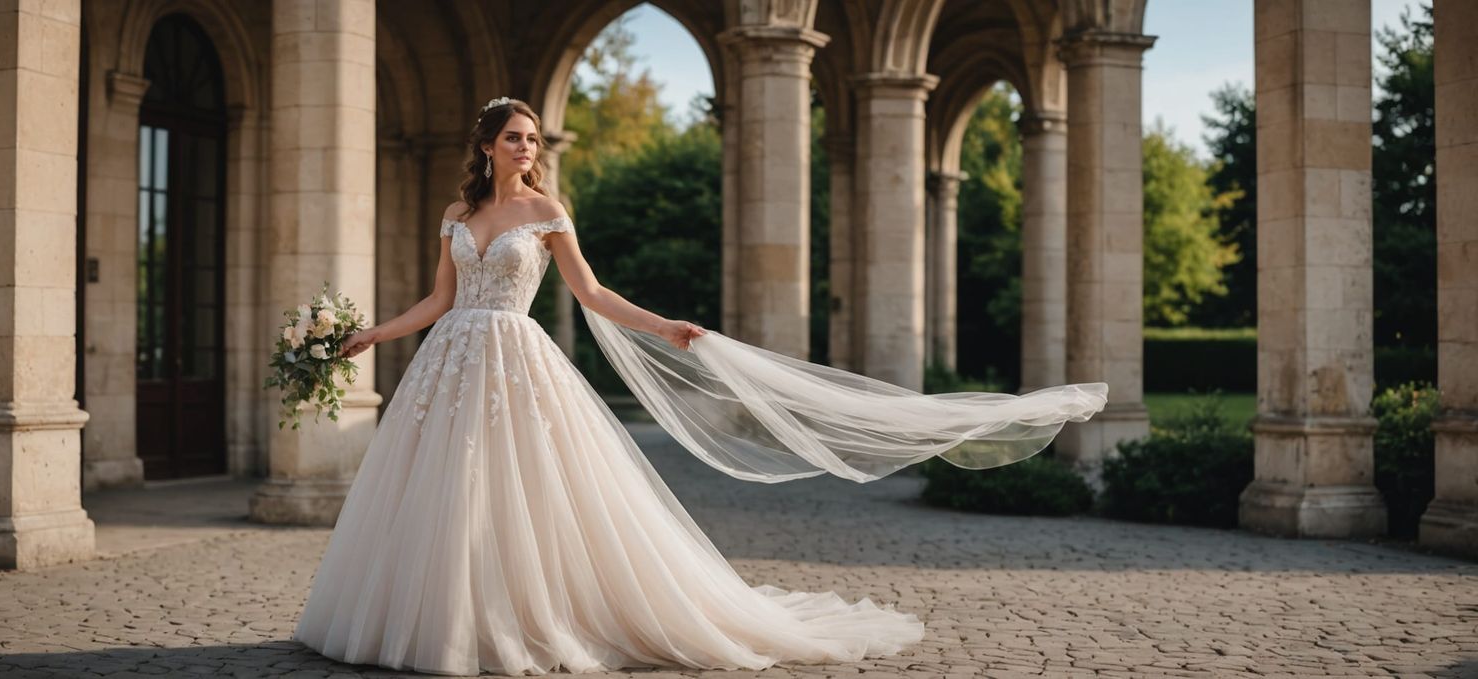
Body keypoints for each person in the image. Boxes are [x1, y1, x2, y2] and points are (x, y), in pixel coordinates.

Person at [291, 96, 1108, 675]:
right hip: (451, 361)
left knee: (518, 492)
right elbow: (440, 299)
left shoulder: (548, 211)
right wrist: (368, 336)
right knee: (440, 490)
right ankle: (432, 621)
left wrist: (666, 326)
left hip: (513, 358)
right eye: (514, 138)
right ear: (486, 146)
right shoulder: (455, 216)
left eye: (533, 138)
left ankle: (516, 622)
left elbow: (594, 296)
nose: (527, 149)